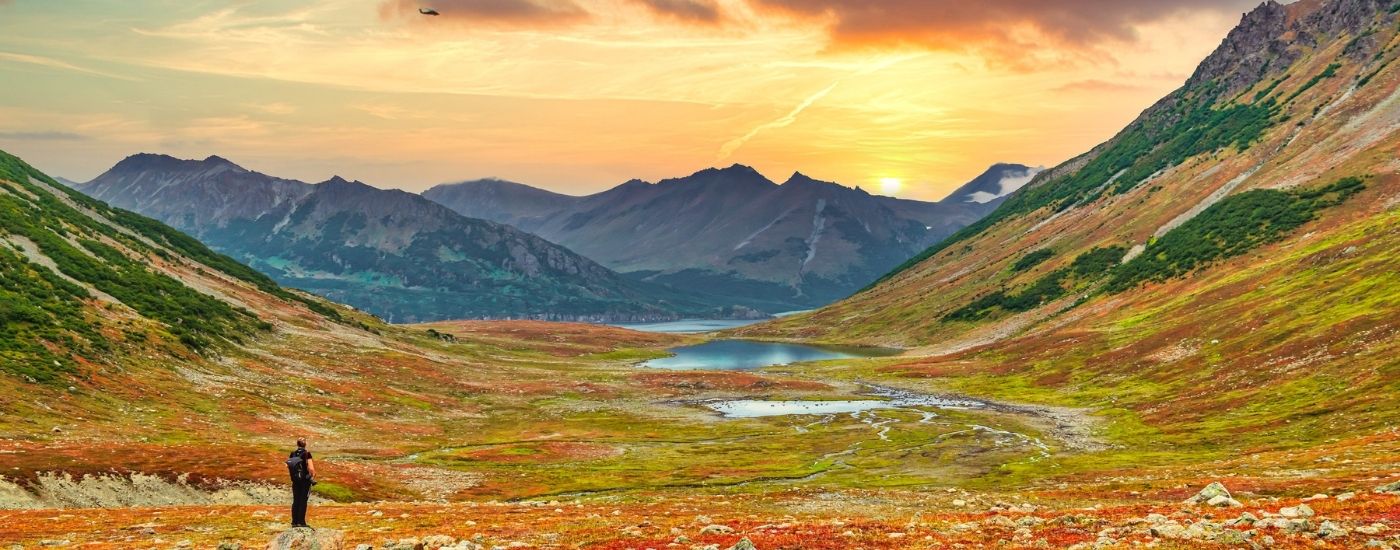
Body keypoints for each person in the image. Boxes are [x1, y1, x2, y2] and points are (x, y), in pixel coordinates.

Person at [287, 437, 317, 528]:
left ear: (297, 444)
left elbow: (289, 466)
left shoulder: (293, 454)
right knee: (303, 500)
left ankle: (294, 522)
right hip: (305, 480)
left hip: (295, 481)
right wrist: (312, 476)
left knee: (296, 500)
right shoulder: (307, 454)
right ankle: (301, 522)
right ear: (305, 444)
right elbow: (311, 468)